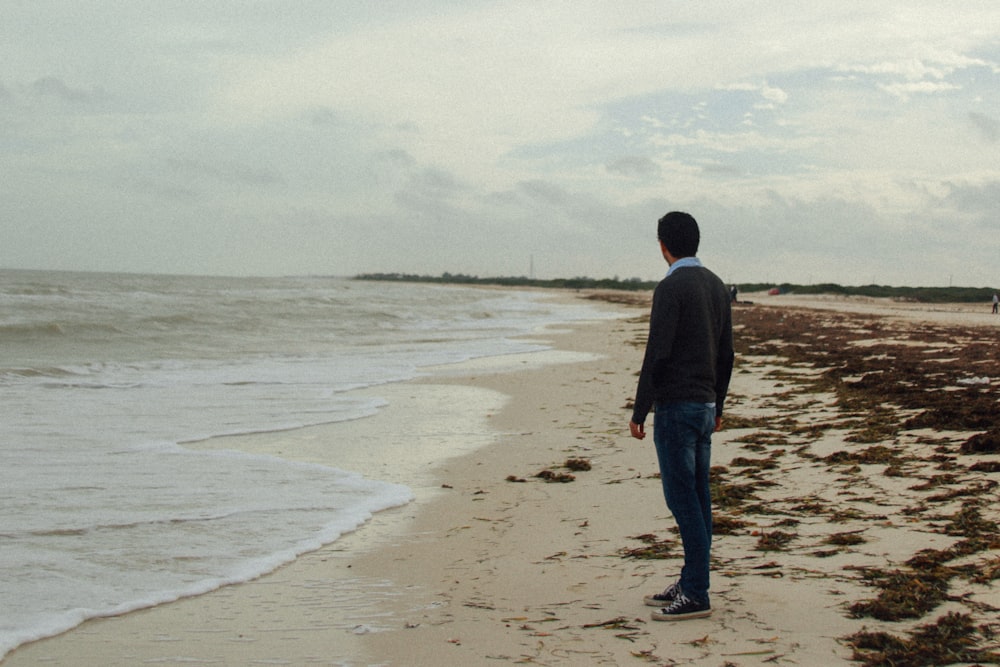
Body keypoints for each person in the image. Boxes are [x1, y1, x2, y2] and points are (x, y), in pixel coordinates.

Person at [628, 211, 735, 622]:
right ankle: (691, 578)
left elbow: (658, 352)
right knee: (699, 496)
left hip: (676, 407)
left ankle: (695, 592)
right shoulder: (715, 286)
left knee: (682, 499)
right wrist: (719, 405)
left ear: (663, 245)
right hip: (705, 405)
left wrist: (640, 410)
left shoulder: (670, 287)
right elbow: (726, 354)